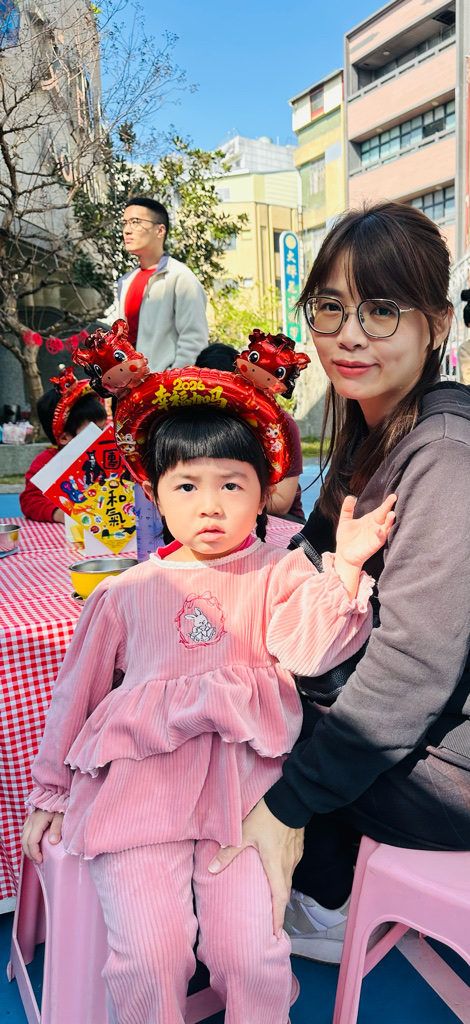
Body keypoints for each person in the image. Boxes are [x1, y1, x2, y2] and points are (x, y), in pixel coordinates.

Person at [207, 201, 470, 965]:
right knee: (225, 686)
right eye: (330, 308)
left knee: (235, 741)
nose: (349, 334)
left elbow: (411, 673)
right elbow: (311, 551)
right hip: (446, 733)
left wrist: (286, 805)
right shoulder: (375, 431)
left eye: (380, 310)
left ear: (435, 325)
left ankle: (325, 899)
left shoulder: (446, 460)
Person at [22, 392, 393, 1024]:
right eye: (187, 486)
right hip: (141, 797)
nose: (210, 505)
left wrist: (348, 568)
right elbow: (75, 696)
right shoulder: (124, 592)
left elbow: (309, 650)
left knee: (250, 954)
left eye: (232, 484)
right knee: (151, 955)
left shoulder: (280, 573)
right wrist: (52, 790)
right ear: (155, 495)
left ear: (264, 494)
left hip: (246, 799)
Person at [195, 343, 306, 523]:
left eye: (228, 391)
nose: (220, 402)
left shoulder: (277, 425)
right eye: (210, 394)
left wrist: (227, 496)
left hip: (278, 519)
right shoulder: (192, 422)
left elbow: (281, 502)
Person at [117, 197, 209, 371]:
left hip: (164, 384)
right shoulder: (126, 281)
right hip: (128, 383)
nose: (127, 230)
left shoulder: (180, 277)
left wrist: (170, 381)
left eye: (135, 222)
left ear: (160, 231)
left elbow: (194, 340)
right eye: (125, 223)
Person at [20, 380, 106, 523]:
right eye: (93, 431)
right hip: (67, 530)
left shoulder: (104, 456)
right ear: (64, 437)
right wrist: (59, 514)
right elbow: (30, 501)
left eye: (103, 429)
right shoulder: (47, 463)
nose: (102, 437)